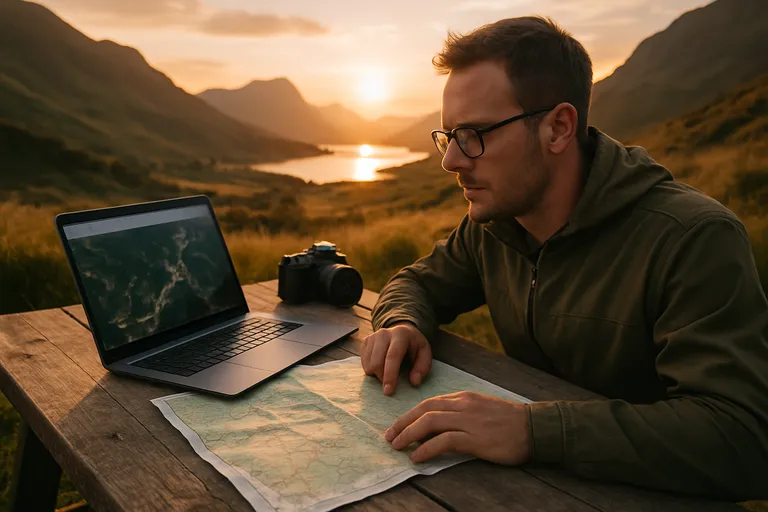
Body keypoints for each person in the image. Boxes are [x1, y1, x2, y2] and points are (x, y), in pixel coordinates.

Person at [361, 16, 768, 501]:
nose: (451, 160)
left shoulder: (692, 239)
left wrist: (532, 431)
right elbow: (418, 283)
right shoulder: (495, 226)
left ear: (558, 128)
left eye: (473, 135)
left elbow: (743, 439)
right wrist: (402, 322)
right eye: (448, 136)